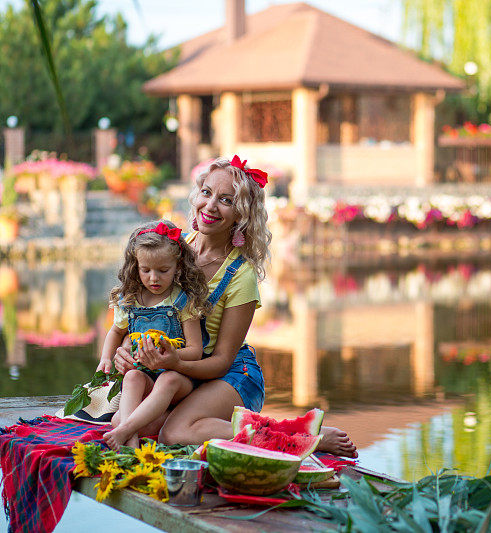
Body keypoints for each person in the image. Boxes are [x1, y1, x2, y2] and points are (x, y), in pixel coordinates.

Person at [112, 156, 357, 457]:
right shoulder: (172, 250)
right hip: (182, 373)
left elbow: (222, 360)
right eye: (207, 193)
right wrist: (126, 348)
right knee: (131, 424)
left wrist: (174, 363)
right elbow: (140, 312)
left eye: (226, 200)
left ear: (241, 214)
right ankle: (216, 423)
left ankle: (298, 435)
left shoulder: (241, 275)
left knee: (175, 433)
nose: (211, 206)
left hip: (229, 374)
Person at [97, 220, 210, 451]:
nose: (153, 278)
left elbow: (196, 350)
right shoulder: (129, 300)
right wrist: (105, 359)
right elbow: (115, 332)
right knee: (131, 378)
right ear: (135, 266)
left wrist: (172, 359)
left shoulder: (182, 301)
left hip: (178, 379)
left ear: (177, 267)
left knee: (167, 379)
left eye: (163, 270)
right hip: (147, 378)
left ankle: (126, 430)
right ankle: (130, 440)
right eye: (145, 270)